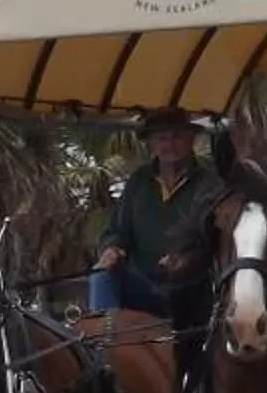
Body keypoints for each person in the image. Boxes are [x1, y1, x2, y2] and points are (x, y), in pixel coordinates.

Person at [92, 113, 220, 325]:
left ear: (191, 138)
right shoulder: (138, 181)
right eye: (162, 138)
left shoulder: (209, 182)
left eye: (177, 136)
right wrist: (112, 249)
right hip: (144, 287)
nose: (170, 144)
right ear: (151, 143)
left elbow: (219, 238)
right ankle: (104, 339)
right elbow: (117, 231)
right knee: (101, 275)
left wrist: (188, 260)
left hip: (191, 291)